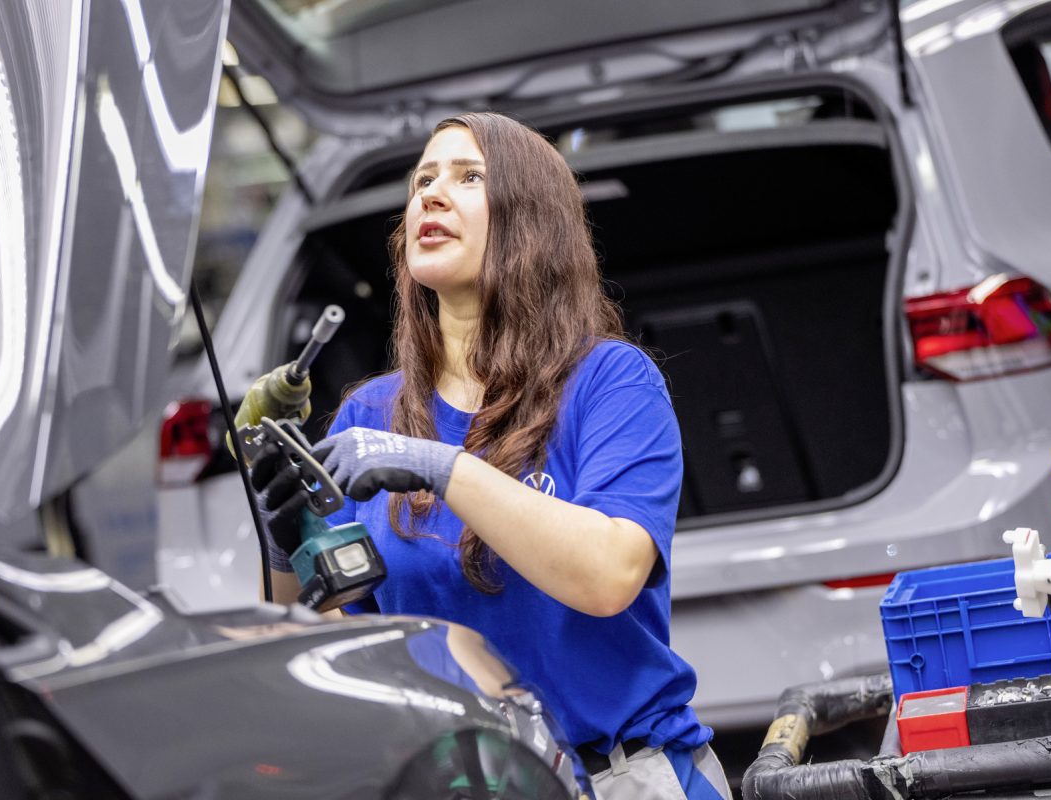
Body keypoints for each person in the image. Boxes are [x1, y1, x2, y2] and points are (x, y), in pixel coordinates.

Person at [253, 112, 732, 800]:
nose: (431, 195)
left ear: (530, 223)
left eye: (468, 177)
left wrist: (442, 468)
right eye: (422, 180)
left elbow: (607, 575)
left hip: (618, 779)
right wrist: (284, 548)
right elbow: (334, 644)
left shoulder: (611, 381)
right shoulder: (370, 413)